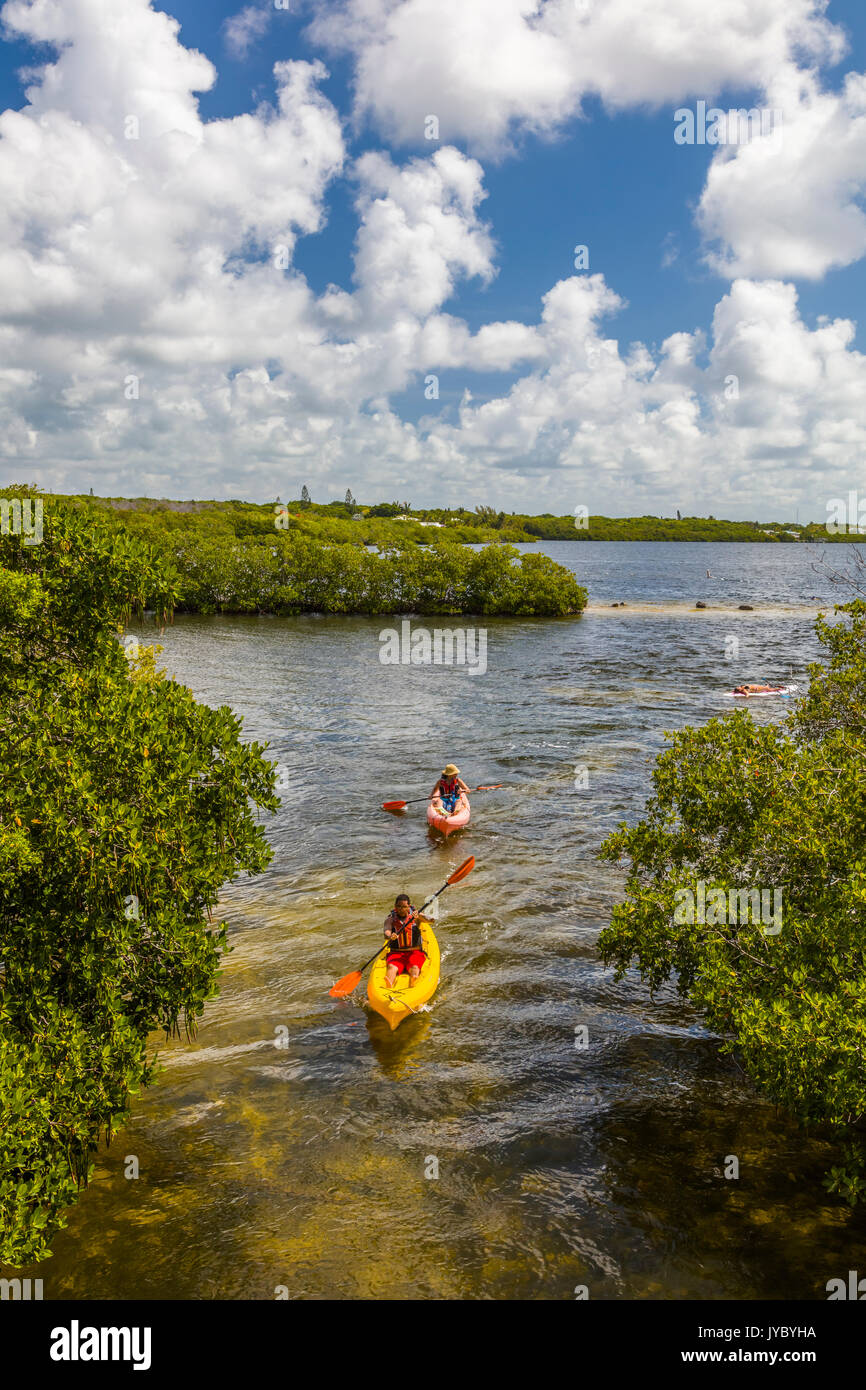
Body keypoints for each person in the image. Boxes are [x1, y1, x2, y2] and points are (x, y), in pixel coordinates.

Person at [383, 894, 429, 989]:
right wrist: (390, 935)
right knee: (392, 967)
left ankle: (413, 980)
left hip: (414, 952)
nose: (401, 909)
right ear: (395, 907)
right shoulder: (390, 919)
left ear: (408, 906)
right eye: (399, 906)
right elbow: (386, 931)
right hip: (396, 953)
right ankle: (388, 986)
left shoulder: (416, 916)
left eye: (404, 906)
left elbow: (431, 920)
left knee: (415, 967)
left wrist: (420, 916)